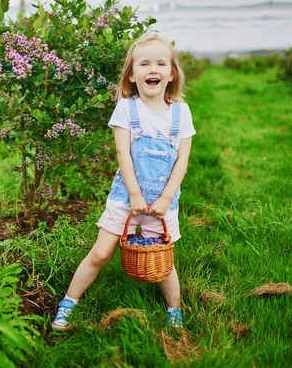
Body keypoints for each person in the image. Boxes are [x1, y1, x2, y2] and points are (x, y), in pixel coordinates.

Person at [52, 34, 196, 330]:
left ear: (171, 74)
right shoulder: (127, 109)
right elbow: (123, 153)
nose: (151, 69)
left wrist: (166, 198)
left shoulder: (181, 113)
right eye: (143, 63)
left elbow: (182, 160)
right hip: (125, 197)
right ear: (132, 74)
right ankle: (69, 301)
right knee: (102, 252)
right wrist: (134, 194)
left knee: (163, 259)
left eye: (160, 63)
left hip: (162, 199)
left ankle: (174, 310)